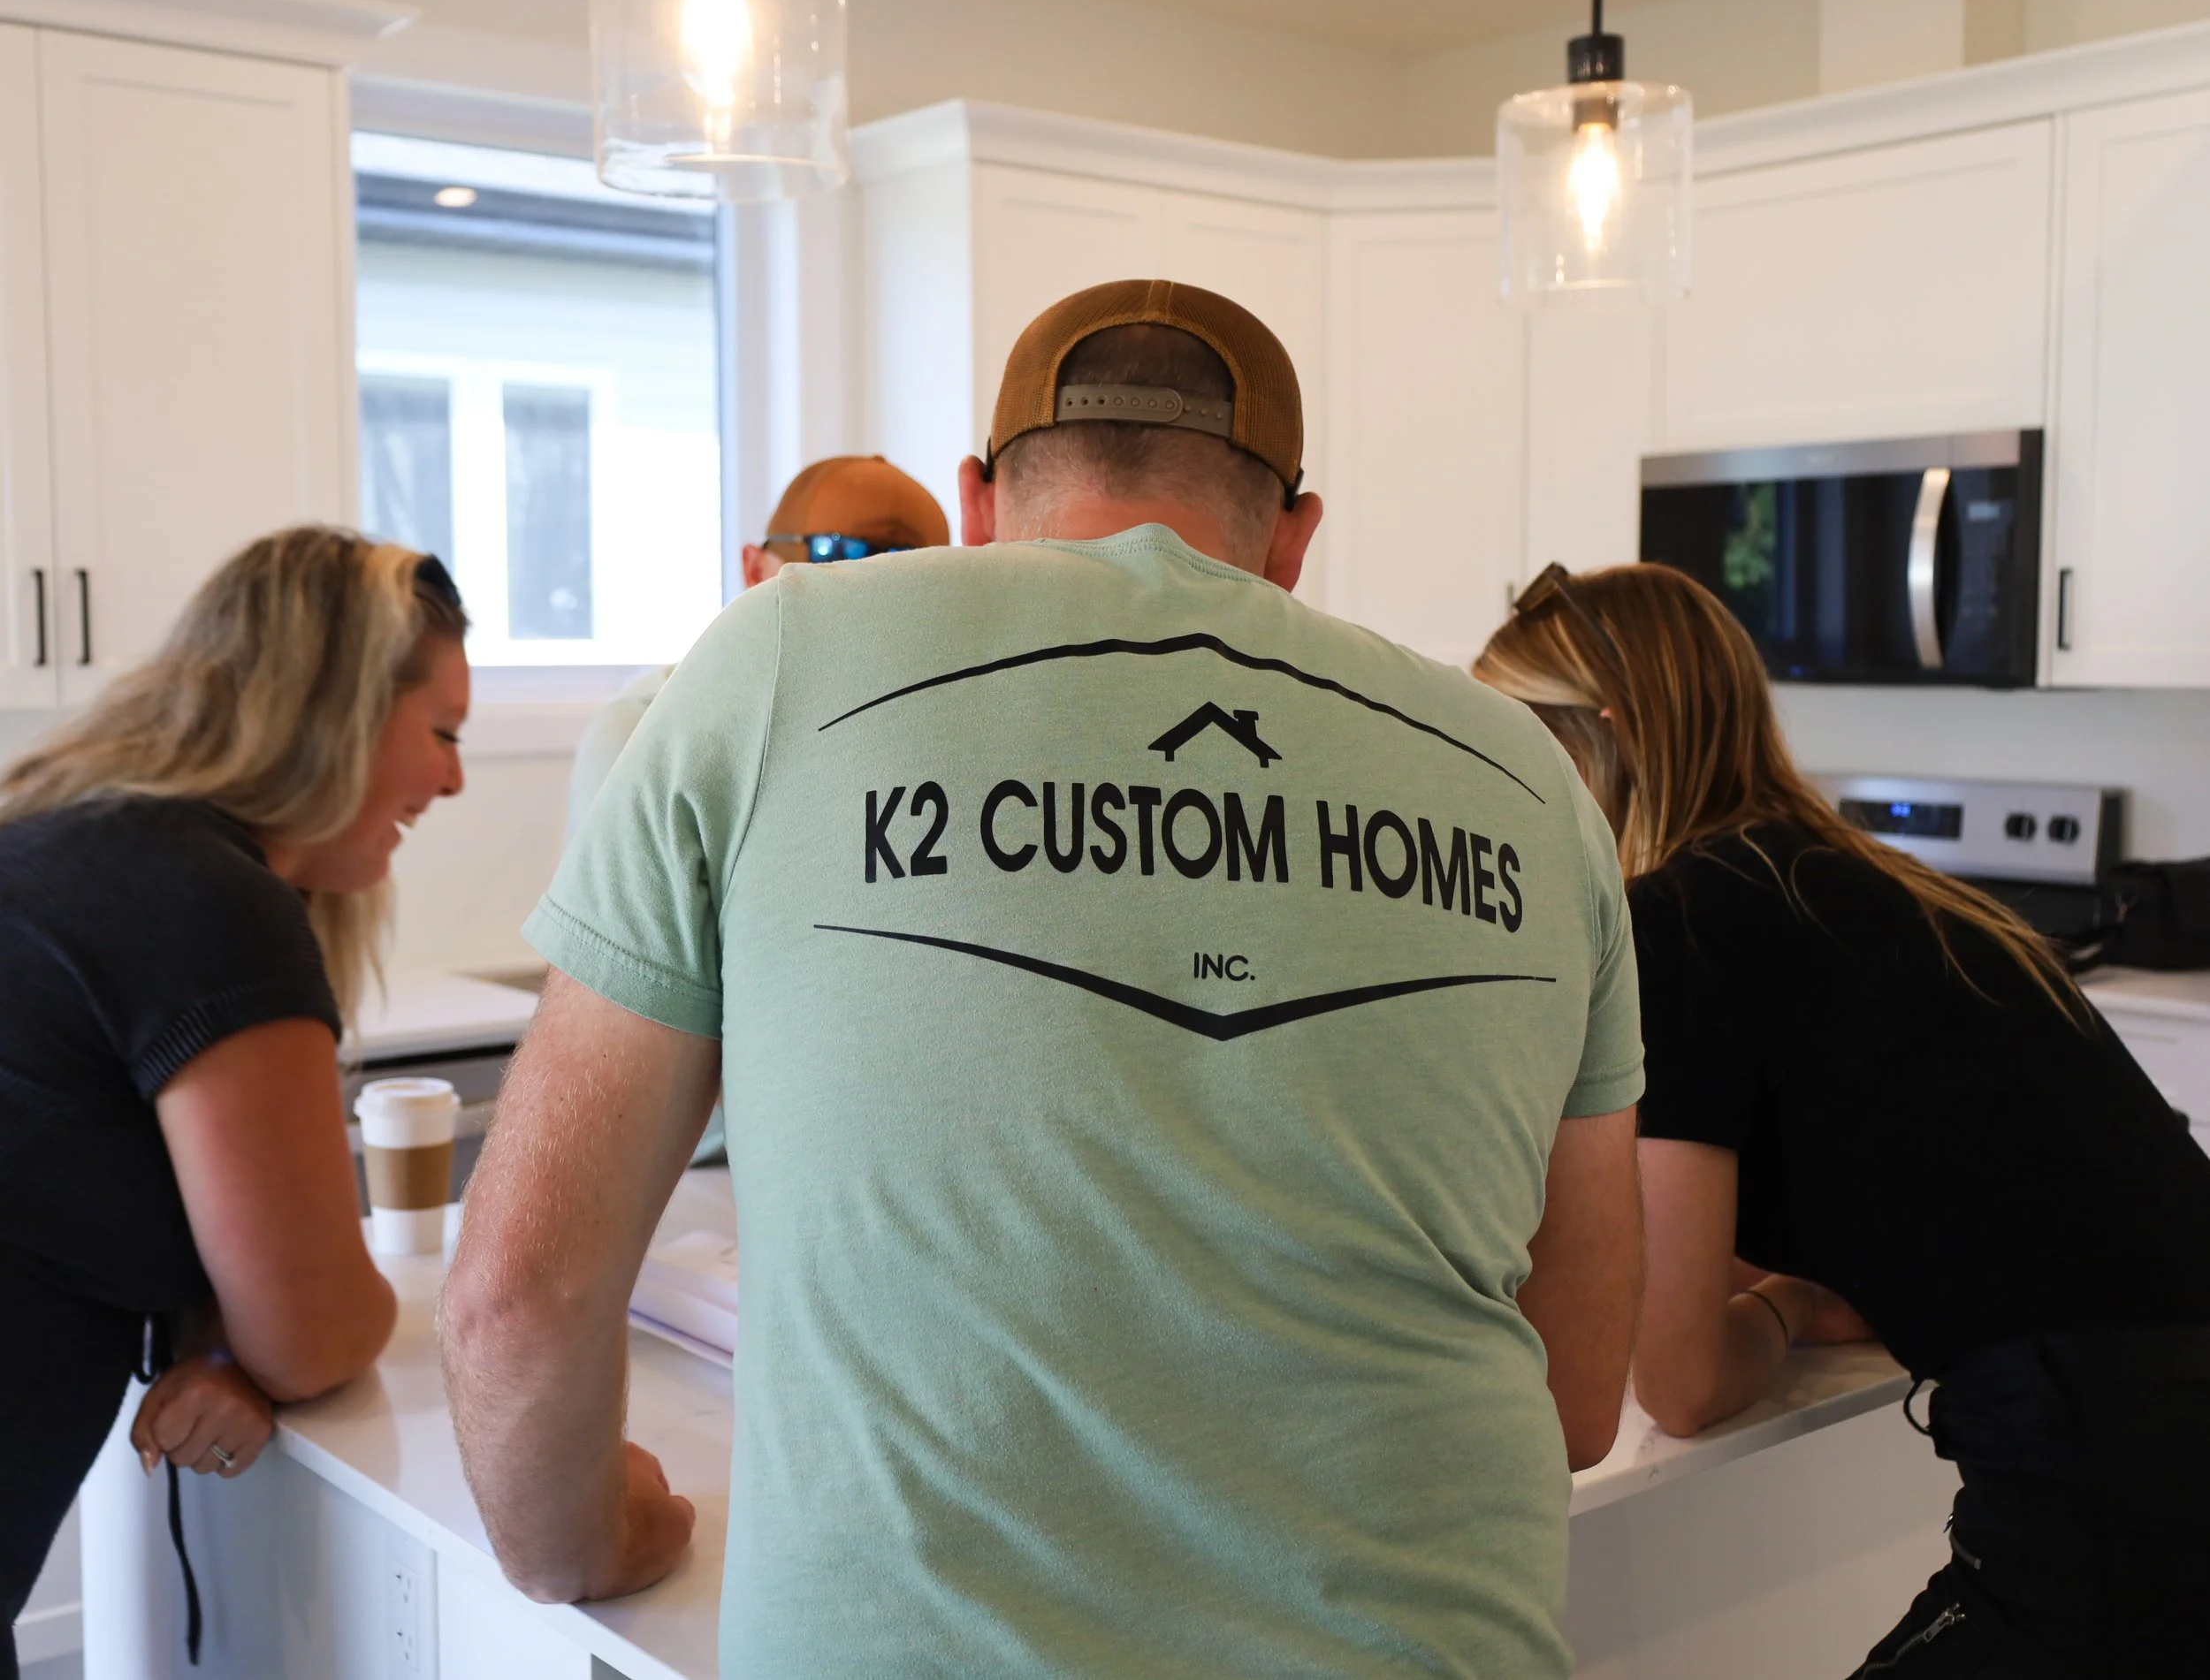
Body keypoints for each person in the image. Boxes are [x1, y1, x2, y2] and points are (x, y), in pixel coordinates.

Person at [447, 279, 1643, 1676]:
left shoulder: (778, 660)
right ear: (1298, 533)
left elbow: (515, 1294)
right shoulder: (1532, 785)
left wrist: (581, 1544)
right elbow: (1573, 1397)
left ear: (974, 497)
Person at [1475, 561, 2210, 1677]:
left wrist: (1777, 1307)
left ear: (1600, 743)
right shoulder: (1849, 886)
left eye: (1513, 745)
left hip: (2118, 1467)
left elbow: (1678, 1379)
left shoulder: (1684, 922)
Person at [0, 528, 469, 1678]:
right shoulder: (206, 896)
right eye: (443, 731)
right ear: (342, 709)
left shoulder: (66, 838)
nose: (454, 777)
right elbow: (314, 1327)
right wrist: (263, 1338)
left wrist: (223, 1323)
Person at [564, 453, 949, 840]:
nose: (864, 604)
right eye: (834, 554)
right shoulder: (644, 736)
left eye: (907, 570)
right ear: (754, 569)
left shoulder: (929, 729)